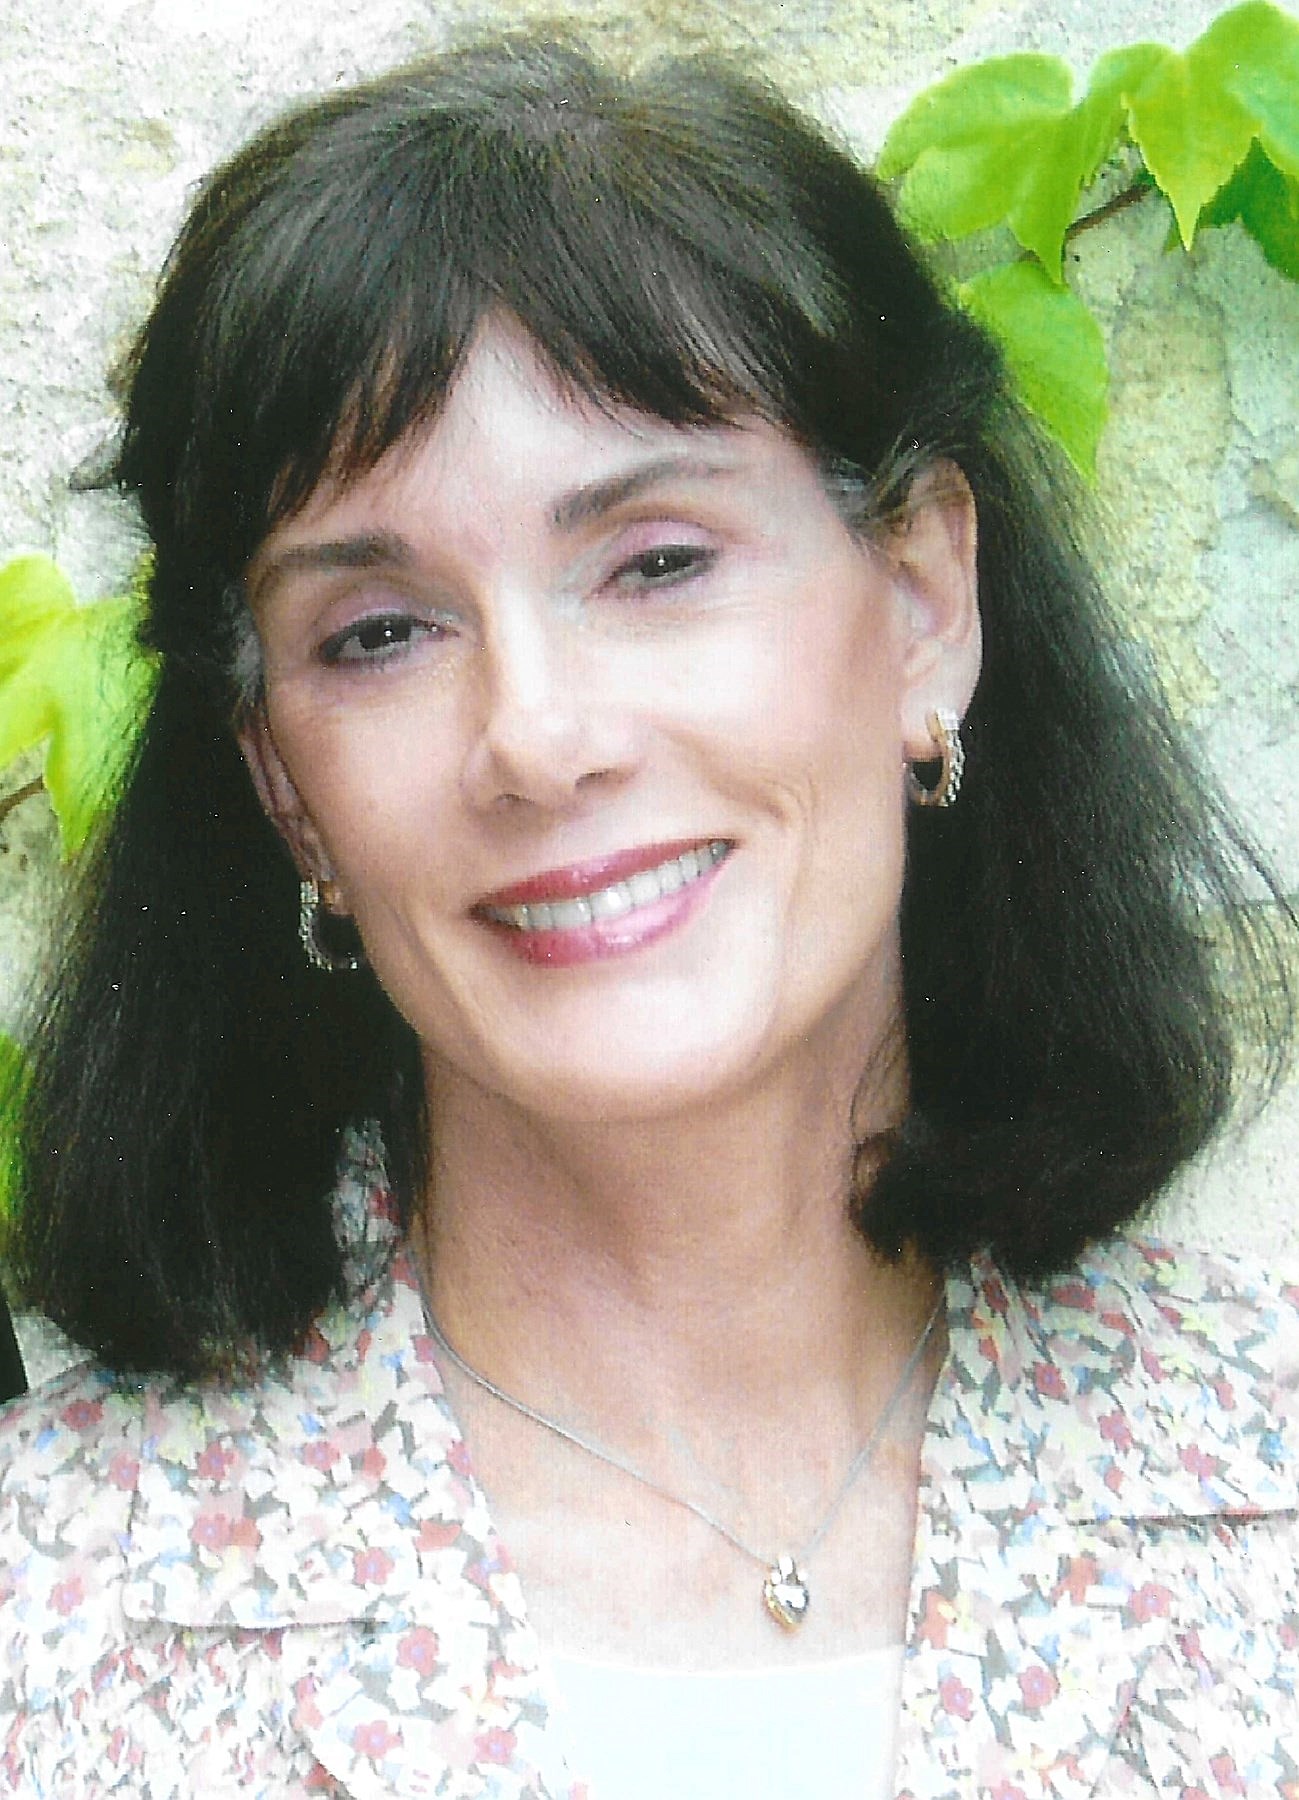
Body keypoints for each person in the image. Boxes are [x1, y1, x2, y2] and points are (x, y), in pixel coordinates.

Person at [1, 32, 1296, 1799]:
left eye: (658, 562)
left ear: (924, 600)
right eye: (380, 633)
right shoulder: (52, 1622)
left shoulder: (1268, 1475)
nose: (539, 738)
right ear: (287, 789)